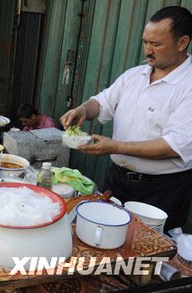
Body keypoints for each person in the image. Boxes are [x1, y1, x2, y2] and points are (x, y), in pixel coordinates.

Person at [60, 6, 192, 232]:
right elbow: (102, 102)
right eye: (145, 42)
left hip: (161, 191)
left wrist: (115, 146)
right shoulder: (134, 75)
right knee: (106, 243)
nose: (148, 51)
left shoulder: (187, 85)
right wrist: (83, 109)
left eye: (156, 44)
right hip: (117, 180)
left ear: (182, 43)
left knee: (147, 256)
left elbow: (174, 145)